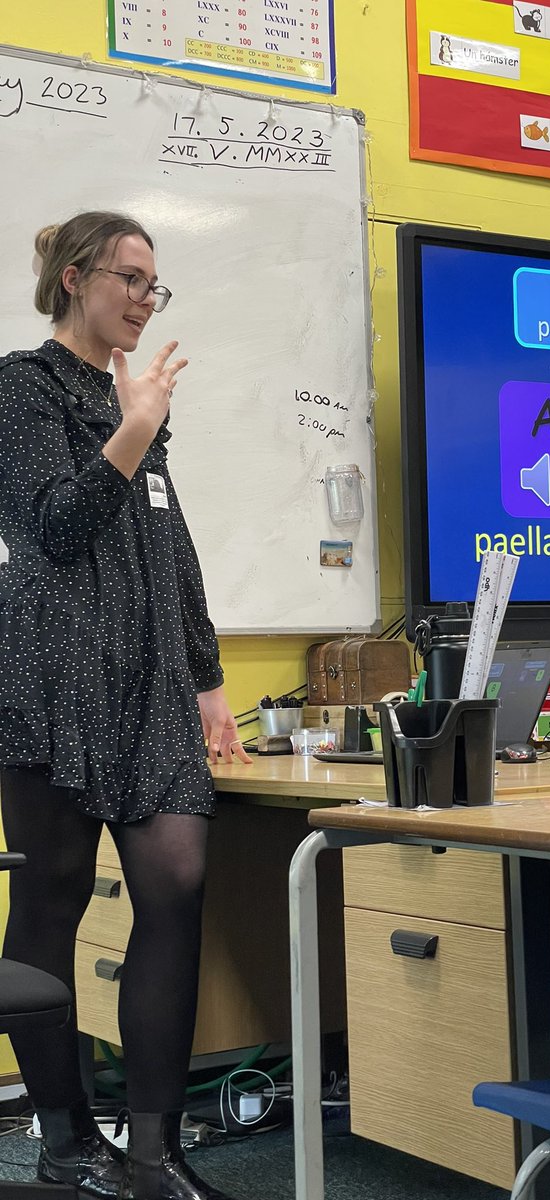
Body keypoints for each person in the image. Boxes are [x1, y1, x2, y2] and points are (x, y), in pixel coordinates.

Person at [0, 211, 253, 1200]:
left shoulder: (129, 394)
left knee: (176, 882)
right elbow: (54, 531)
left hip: (147, 681)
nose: (149, 300)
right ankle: (67, 1143)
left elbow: (167, 545)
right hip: (51, 677)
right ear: (76, 278)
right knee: (53, 900)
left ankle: (153, 1151)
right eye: (133, 280)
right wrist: (135, 424)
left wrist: (208, 680)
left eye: (158, 285)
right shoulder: (21, 388)